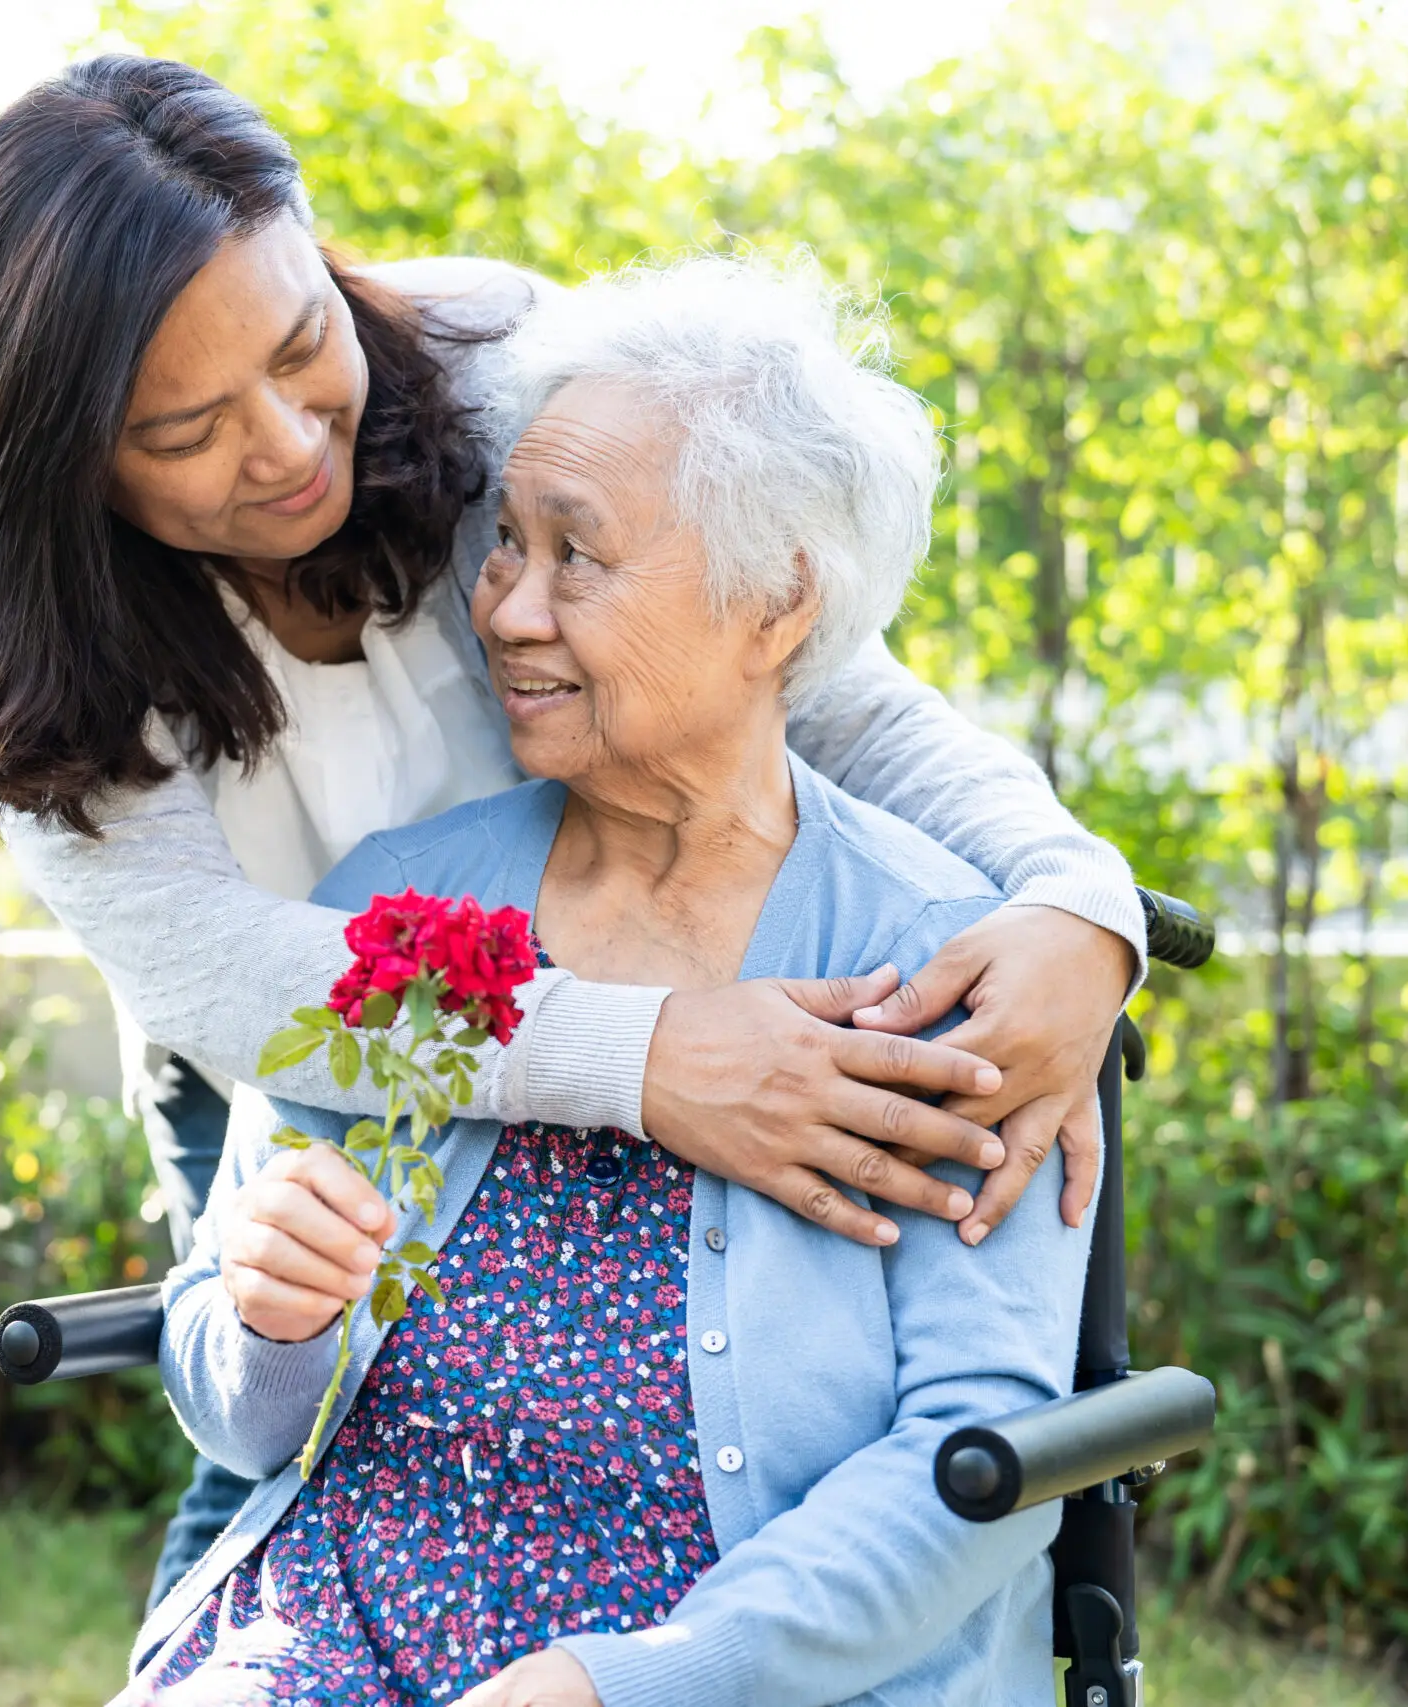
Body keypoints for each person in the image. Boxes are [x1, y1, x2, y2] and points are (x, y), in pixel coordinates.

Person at [0, 56, 1139, 1606]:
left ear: (323, 254)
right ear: (64, 458)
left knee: (673, 1467)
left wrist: (1080, 904)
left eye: (301, 342)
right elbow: (238, 975)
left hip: (684, 957)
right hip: (311, 1079)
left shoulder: (483, 358)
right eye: (187, 427)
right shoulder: (23, 653)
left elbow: (824, 684)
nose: (283, 445)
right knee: (303, 1477)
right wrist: (652, 1059)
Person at [135, 256, 1091, 1707]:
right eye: (504, 544)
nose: (505, 608)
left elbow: (971, 1452)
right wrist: (272, 1317)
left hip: (730, 1663)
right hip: (342, 1629)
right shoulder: (409, 908)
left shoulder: (931, 963)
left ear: (776, 603)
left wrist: (630, 1681)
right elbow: (239, 1411)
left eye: (576, 554)